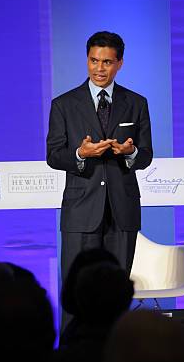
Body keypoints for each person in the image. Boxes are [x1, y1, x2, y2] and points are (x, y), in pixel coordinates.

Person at [46, 31, 153, 325]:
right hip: (81, 212)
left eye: (107, 62)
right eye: (94, 61)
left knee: (117, 295)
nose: (99, 68)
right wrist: (81, 153)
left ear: (119, 63)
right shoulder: (63, 104)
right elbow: (54, 155)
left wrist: (129, 153)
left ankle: (115, 355)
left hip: (122, 212)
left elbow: (146, 156)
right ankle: (71, 354)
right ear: (87, 60)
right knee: (76, 291)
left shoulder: (137, 103)